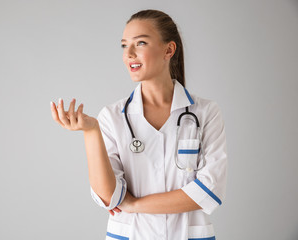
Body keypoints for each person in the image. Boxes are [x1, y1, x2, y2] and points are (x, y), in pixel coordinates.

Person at [50, 9, 228, 240]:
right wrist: (91, 131)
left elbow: (208, 191)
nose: (129, 54)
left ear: (169, 50)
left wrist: (134, 205)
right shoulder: (112, 117)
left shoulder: (205, 113)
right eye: (124, 45)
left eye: (140, 43)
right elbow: (109, 198)